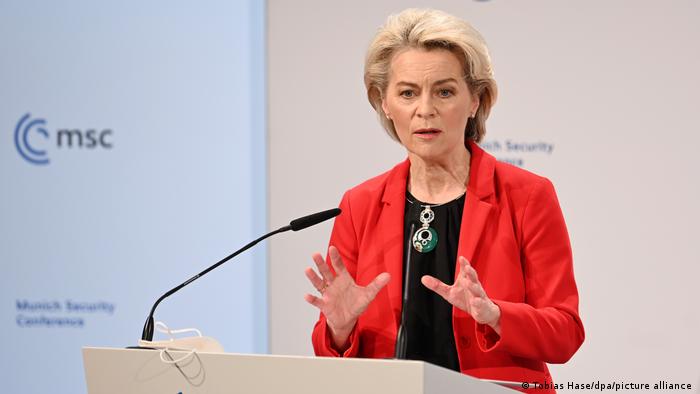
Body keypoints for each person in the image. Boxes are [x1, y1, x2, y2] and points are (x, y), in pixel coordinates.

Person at [303, 8, 584, 392]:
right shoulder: (359, 205)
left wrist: (496, 315)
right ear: (384, 102)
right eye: (407, 93)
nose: (425, 109)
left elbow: (565, 333)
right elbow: (330, 350)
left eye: (445, 91)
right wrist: (339, 326)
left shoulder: (528, 196)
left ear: (475, 100)